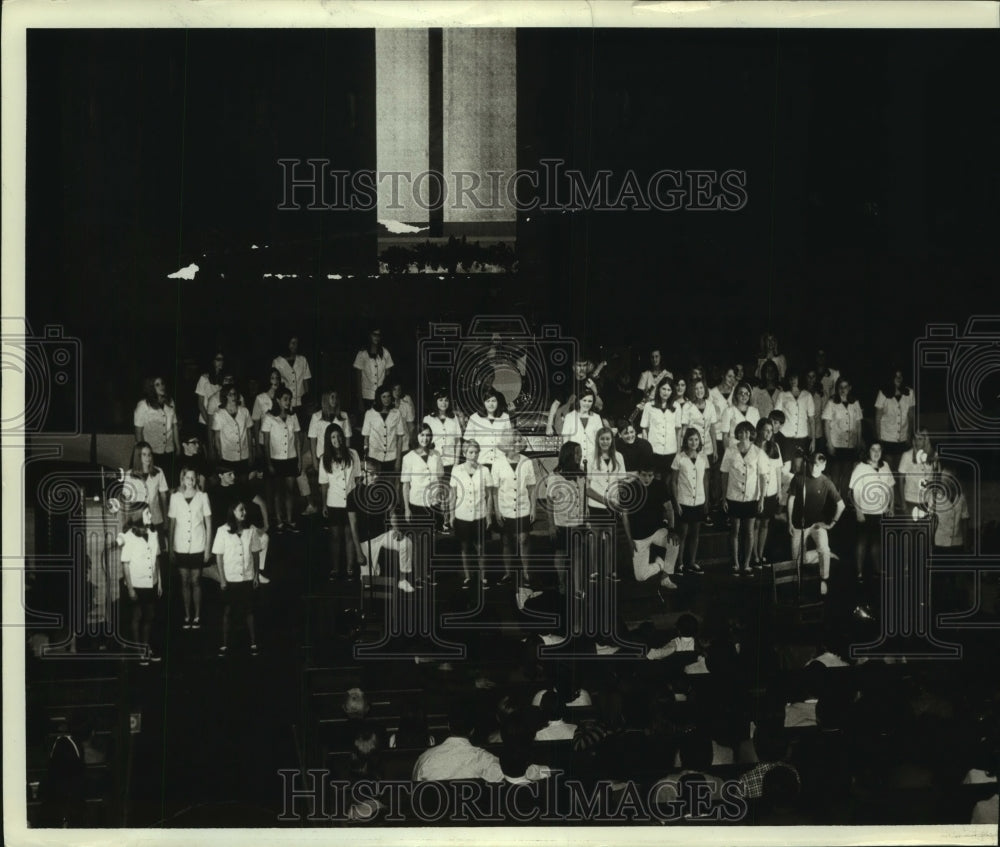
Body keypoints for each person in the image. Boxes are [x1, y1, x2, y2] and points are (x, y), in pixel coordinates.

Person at [787, 453, 845, 596]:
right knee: (797, 560)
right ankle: (798, 584)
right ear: (809, 463)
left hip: (817, 524)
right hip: (799, 524)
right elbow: (791, 500)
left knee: (824, 549)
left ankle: (824, 579)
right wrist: (789, 522)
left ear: (823, 466)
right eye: (812, 464)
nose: (814, 468)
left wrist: (832, 524)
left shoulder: (826, 482)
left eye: (818, 465)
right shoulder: (798, 478)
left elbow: (841, 505)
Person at [618, 458, 680, 592]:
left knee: (674, 542)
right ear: (638, 474)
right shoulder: (629, 489)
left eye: (650, 475)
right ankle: (660, 564)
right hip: (639, 536)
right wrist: (629, 540)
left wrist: (671, 529)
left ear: (654, 474)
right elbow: (625, 517)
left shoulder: (660, 485)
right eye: (644, 475)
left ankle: (665, 577)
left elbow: (669, 509)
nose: (647, 478)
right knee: (640, 576)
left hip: (657, 531)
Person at [211, 500, 261, 657]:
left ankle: (253, 643)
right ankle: (225, 645)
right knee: (228, 611)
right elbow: (219, 557)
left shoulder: (251, 530)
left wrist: (256, 575)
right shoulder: (222, 530)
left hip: (247, 577)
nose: (244, 512)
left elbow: (255, 554)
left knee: (249, 610)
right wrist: (222, 579)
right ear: (233, 512)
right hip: (230, 578)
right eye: (241, 509)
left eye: (245, 509)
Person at [207, 466, 271, 587]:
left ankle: (257, 572)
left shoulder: (240, 487)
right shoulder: (213, 492)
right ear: (220, 476)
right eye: (229, 474)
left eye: (234, 473)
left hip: (243, 525)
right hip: (225, 529)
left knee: (264, 538)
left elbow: (262, 503)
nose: (233, 477)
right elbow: (208, 516)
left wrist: (266, 525)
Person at [412, 699, 503, 783]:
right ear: (472, 731)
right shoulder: (486, 760)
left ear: (448, 726)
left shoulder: (425, 759)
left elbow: (416, 790)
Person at [168, 466, 212, 630]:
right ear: (183, 479)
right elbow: (172, 524)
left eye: (193, 478)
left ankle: (197, 615)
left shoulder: (202, 496)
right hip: (180, 546)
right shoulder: (175, 497)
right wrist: (171, 547)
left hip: (198, 546)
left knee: (196, 581)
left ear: (197, 479)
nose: (191, 481)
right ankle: (187, 615)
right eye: (188, 477)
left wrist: (207, 548)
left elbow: (209, 524)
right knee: (184, 581)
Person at [491, 431, 537, 587]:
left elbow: (532, 487)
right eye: (514, 442)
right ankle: (507, 573)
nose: (517, 444)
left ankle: (526, 573)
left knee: (524, 540)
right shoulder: (497, 463)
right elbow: (495, 490)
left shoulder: (527, 462)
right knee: (506, 541)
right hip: (505, 508)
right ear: (506, 445)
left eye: (519, 441)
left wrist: (533, 508)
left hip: (523, 507)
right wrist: (497, 511)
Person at [720, 420, 766, 575]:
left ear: (751, 433)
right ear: (737, 434)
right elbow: (724, 474)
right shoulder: (730, 451)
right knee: (735, 530)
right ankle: (735, 563)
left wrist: (761, 499)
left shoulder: (758, 452)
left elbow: (763, 476)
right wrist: (724, 497)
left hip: (751, 497)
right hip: (733, 496)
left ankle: (746, 564)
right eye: (740, 432)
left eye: (747, 432)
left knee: (750, 531)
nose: (744, 435)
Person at [449, 440, 496, 589]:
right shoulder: (456, 470)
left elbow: (489, 496)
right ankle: (468, 577)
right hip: (462, 515)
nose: (474, 455)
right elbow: (453, 494)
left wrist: (489, 515)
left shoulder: (485, 470)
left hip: (480, 514)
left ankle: (483, 578)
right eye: (470, 452)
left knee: (480, 548)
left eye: (476, 452)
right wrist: (451, 515)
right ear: (464, 453)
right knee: (464, 547)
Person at [118, 504, 162, 664]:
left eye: (150, 513)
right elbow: (125, 564)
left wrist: (160, 582)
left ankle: (146, 646)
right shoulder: (129, 536)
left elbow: (156, 559)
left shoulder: (153, 533)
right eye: (147, 513)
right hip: (136, 584)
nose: (150, 516)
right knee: (137, 616)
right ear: (137, 516)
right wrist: (130, 589)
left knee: (150, 616)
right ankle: (139, 650)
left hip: (151, 583)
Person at [319, 423, 362, 581]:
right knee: (335, 537)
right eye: (333, 437)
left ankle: (350, 568)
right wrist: (324, 505)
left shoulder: (353, 454)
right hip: (334, 502)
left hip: (351, 502)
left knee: (350, 535)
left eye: (338, 436)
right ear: (328, 440)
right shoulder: (324, 459)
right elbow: (324, 485)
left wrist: (358, 499)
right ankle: (335, 569)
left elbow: (358, 478)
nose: (336, 439)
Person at [849, 442, 895, 583]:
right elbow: (855, 492)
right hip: (865, 512)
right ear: (868, 451)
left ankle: (877, 570)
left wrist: (891, 506)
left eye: (879, 449)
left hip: (881, 511)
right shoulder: (861, 468)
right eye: (873, 449)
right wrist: (858, 511)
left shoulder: (885, 466)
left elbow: (891, 487)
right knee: (862, 541)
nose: (876, 452)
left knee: (877, 541)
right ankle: (859, 573)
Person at [588, 426, 628, 582]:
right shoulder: (590, 457)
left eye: (608, 439)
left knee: (611, 538)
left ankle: (610, 571)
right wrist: (605, 501)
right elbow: (587, 487)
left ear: (612, 440)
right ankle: (594, 571)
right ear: (598, 440)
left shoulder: (619, 456)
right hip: (596, 504)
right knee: (595, 539)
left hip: (613, 504)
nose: (605, 442)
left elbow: (622, 481)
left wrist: (619, 502)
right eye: (602, 439)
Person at [262, 387, 302, 532]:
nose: (288, 402)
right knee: (278, 492)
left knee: (290, 491)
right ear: (278, 400)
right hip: (276, 460)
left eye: (289, 399)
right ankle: (279, 520)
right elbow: (266, 443)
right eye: (285, 399)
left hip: (291, 459)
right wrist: (269, 463)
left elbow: (297, 440)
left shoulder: (293, 416)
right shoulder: (269, 417)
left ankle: (289, 519)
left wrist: (299, 461)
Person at [679, 378, 719, 526]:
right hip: (692, 447)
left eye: (701, 388)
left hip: (706, 447)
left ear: (705, 389)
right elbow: (684, 430)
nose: (699, 391)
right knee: (691, 478)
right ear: (692, 391)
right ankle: (691, 510)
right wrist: (682, 449)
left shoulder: (710, 405)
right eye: (696, 389)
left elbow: (713, 429)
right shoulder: (687, 407)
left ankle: (706, 510)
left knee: (706, 479)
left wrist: (715, 448)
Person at [401, 424, 445, 556]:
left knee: (430, 539)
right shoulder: (408, 458)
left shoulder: (436, 455)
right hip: (417, 504)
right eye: (422, 435)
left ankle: (428, 567)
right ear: (416, 436)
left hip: (433, 503)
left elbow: (440, 480)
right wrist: (407, 509)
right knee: (418, 540)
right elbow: (405, 485)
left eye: (428, 435)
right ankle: (418, 568)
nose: (425, 438)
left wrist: (441, 501)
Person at [307, 390, 353, 515]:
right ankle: (325, 508)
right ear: (325, 399)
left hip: (339, 456)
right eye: (332, 397)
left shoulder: (343, 416)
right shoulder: (316, 417)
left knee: (339, 484)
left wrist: (346, 456)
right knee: (324, 485)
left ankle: (341, 510)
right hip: (323, 457)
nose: (334, 400)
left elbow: (347, 437)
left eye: (336, 397)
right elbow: (312, 439)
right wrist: (315, 459)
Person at [672, 428, 709, 576]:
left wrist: (706, 501)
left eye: (696, 439)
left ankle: (692, 562)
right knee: (683, 533)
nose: (694, 442)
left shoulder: (703, 458)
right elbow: (673, 482)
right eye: (690, 439)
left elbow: (705, 481)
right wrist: (676, 503)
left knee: (695, 533)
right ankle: (680, 563)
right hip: (684, 501)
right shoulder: (679, 458)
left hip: (699, 501)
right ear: (686, 441)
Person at [822, 376, 863, 498]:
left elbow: (858, 424)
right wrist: (829, 444)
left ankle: (843, 501)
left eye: (845, 387)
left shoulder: (855, 403)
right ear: (837, 388)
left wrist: (859, 442)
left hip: (850, 444)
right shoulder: (831, 402)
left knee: (846, 475)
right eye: (840, 387)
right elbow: (826, 424)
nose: (843, 389)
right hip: (836, 444)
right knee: (835, 475)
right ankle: (834, 502)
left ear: (850, 388)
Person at [133, 376, 179, 479]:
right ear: (151, 387)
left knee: (169, 480)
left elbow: (174, 425)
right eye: (157, 385)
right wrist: (143, 454)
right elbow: (138, 433)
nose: (161, 386)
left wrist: (178, 447)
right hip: (152, 453)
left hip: (168, 451)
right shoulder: (143, 405)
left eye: (162, 383)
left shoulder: (170, 402)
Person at [122, 441, 169, 537]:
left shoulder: (159, 472)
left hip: (155, 520)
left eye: (149, 454)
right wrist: (126, 522)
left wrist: (166, 519)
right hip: (137, 522)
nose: (148, 458)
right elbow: (127, 501)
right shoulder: (129, 475)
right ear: (138, 456)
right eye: (144, 455)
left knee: (157, 545)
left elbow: (164, 498)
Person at [753, 418, 783, 568]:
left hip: (771, 490)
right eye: (766, 430)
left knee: (765, 523)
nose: (769, 433)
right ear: (759, 430)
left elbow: (778, 469)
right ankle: (754, 556)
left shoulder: (775, 446)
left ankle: (761, 553)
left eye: (771, 431)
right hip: (757, 491)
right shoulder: (753, 447)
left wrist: (779, 490)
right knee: (756, 524)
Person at [874, 368, 915, 471]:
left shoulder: (910, 393)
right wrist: (879, 438)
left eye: (900, 376)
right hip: (887, 438)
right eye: (896, 376)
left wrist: (909, 435)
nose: (898, 378)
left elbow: (911, 416)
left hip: (903, 438)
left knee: (900, 469)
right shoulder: (882, 393)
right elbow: (878, 417)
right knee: (888, 469)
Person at [640, 377, 679, 483]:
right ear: (659, 389)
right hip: (654, 450)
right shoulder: (649, 406)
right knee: (655, 480)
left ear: (672, 391)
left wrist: (678, 451)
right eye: (663, 389)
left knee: (669, 481)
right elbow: (644, 429)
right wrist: (646, 450)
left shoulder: (676, 406)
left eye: (669, 390)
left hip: (671, 450)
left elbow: (678, 430)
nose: (666, 392)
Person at [212, 383, 254, 480]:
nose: (233, 397)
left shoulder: (244, 411)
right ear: (225, 396)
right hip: (227, 457)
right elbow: (217, 438)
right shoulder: (219, 414)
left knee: (243, 481)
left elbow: (249, 433)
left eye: (234, 394)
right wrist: (219, 454)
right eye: (230, 394)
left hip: (244, 455)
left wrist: (251, 453)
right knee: (230, 483)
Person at [362, 383, 407, 475]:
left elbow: (400, 438)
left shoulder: (396, 413)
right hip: (374, 457)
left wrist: (398, 460)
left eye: (389, 396)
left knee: (389, 482)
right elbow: (366, 438)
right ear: (379, 398)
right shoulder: (369, 414)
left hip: (391, 457)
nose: (387, 399)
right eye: (384, 397)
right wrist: (366, 458)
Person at [423, 389, 463, 480]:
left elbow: (457, 442)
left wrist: (456, 463)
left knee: (449, 486)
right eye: (440, 400)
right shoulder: (428, 419)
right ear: (435, 401)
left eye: (446, 400)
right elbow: (424, 442)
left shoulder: (454, 418)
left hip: (450, 461)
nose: (444, 403)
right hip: (433, 461)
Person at [897, 429, 936, 516]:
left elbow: (934, 480)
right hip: (910, 500)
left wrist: (933, 501)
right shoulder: (907, 455)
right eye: (915, 438)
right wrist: (903, 503)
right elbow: (900, 481)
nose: (917, 442)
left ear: (926, 440)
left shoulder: (933, 456)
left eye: (920, 439)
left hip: (926, 501)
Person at [271, 335, 311, 421]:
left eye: (297, 343)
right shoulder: (277, 362)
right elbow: (275, 384)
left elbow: (306, 381)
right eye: (293, 343)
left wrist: (307, 400)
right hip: (286, 403)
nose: (295, 346)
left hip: (301, 403)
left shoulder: (303, 360)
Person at [195, 350, 227, 454]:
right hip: (205, 421)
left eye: (222, 359)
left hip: (220, 422)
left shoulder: (225, 379)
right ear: (212, 361)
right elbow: (200, 404)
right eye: (218, 359)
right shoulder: (204, 379)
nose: (221, 362)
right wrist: (210, 424)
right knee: (208, 452)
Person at [353, 328, 393, 411]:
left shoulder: (385, 352)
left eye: (379, 335)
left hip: (381, 397)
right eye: (374, 334)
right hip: (366, 396)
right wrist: (360, 400)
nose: (377, 337)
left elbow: (388, 376)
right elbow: (358, 378)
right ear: (369, 336)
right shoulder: (362, 353)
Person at [561, 388, 602, 468]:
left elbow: (600, 440)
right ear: (579, 400)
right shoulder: (569, 417)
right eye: (584, 400)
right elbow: (566, 442)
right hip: (575, 460)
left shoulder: (596, 417)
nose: (587, 403)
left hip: (593, 460)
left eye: (590, 401)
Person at [777, 371, 816, 456]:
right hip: (786, 437)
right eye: (790, 378)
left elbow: (812, 420)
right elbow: (776, 416)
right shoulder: (782, 395)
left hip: (802, 437)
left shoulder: (807, 395)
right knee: (787, 463)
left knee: (800, 463)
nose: (792, 380)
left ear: (799, 378)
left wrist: (813, 440)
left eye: (795, 377)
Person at [252, 368, 282, 462]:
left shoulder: (283, 397)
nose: (275, 381)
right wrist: (257, 446)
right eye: (272, 378)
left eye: (277, 378)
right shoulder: (260, 398)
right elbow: (256, 424)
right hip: (264, 441)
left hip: (279, 441)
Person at [721, 381, 761, 453]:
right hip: (734, 448)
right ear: (736, 394)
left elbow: (757, 433)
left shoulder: (755, 411)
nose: (744, 396)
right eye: (741, 393)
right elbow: (725, 436)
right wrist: (727, 453)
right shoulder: (728, 411)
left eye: (746, 393)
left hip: (751, 448)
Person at [391, 379, 417, 446]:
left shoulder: (406, 405)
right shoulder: (385, 406)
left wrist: (412, 440)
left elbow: (410, 425)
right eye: (394, 389)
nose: (397, 392)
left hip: (404, 441)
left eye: (399, 389)